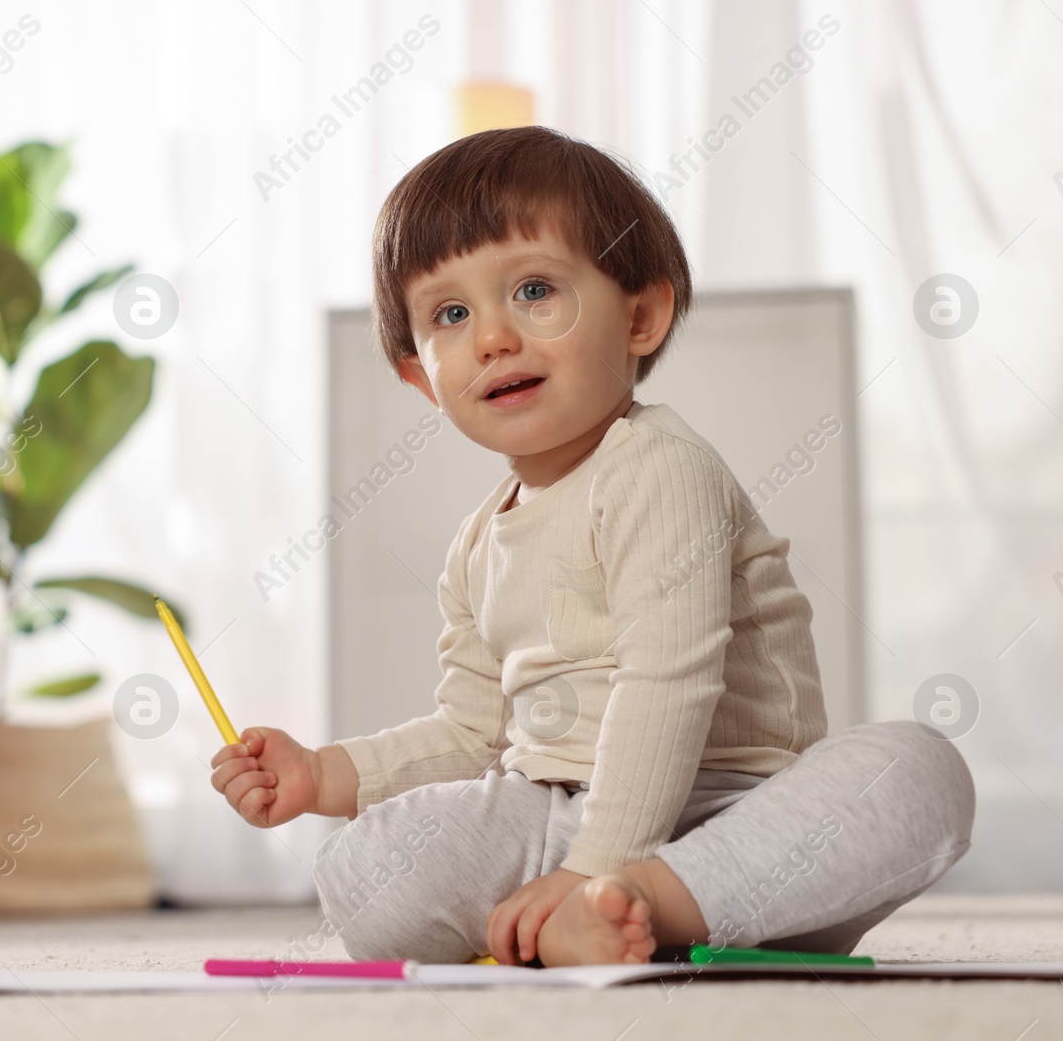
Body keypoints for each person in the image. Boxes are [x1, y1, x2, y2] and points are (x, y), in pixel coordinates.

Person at [209, 125, 975, 966]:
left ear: (640, 314)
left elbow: (668, 680)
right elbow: (473, 733)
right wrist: (324, 775)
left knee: (917, 771)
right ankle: (591, 916)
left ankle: (633, 902)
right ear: (422, 378)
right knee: (364, 869)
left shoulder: (658, 467)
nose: (494, 336)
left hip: (744, 822)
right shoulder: (476, 546)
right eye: (452, 313)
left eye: (535, 289)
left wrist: (603, 866)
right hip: (560, 816)